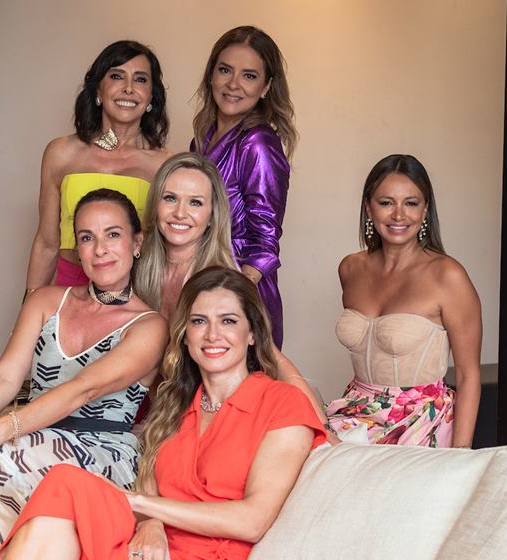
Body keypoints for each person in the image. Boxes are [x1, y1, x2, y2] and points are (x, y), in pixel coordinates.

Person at [0, 267, 326, 559]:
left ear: (252, 334)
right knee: (63, 487)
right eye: (199, 321)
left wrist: (139, 504)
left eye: (228, 321)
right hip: (148, 548)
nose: (212, 335)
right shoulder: (176, 405)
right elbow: (152, 484)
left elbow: (253, 521)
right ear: (185, 335)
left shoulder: (282, 402)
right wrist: (151, 524)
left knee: (60, 497)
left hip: (210, 553)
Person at [0, 190, 168, 560]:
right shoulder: (45, 301)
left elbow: (84, 389)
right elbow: (5, 377)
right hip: (31, 436)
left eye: (112, 234)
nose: (100, 249)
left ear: (137, 242)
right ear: (78, 249)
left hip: (98, 452)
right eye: (87, 237)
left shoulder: (150, 326)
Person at [134, 152, 334, 437]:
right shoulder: (138, 271)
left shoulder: (225, 281)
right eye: (170, 198)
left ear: (212, 213)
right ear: (155, 204)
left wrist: (324, 430)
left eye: (195, 202)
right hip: (159, 413)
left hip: (218, 418)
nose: (180, 213)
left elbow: (274, 360)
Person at [326, 154, 481, 448]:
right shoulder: (350, 268)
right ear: (368, 208)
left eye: (411, 203)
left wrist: (461, 457)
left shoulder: (448, 276)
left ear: (425, 211)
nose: (399, 215)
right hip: (357, 413)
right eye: (386, 203)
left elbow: (468, 374)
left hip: (419, 423)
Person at [25, 40, 170, 294]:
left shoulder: (165, 164)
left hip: (137, 296)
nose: (128, 88)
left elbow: (172, 251)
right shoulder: (61, 153)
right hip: (69, 292)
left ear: (151, 97)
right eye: (117, 76)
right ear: (98, 91)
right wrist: (28, 312)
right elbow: (47, 243)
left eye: (140, 80)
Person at [192, 26, 296, 348]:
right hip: (199, 281)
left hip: (238, 290)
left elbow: (265, 244)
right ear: (211, 75)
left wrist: (230, 299)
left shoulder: (259, 143)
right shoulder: (204, 137)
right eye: (225, 70)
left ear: (266, 87)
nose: (233, 84)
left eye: (249, 76)